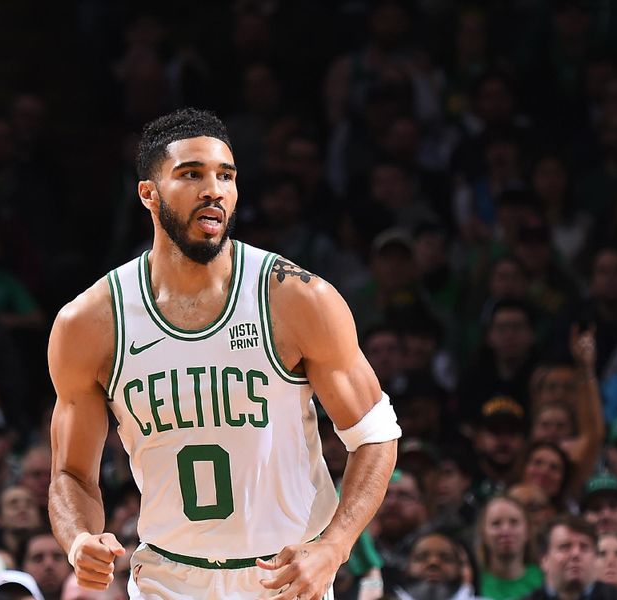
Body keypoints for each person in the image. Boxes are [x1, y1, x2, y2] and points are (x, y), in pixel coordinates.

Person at [47, 108, 401, 599]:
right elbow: (70, 474)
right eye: (191, 174)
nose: (214, 189)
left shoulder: (296, 297)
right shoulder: (89, 323)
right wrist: (78, 539)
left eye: (226, 176)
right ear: (149, 194)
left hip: (284, 576)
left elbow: (376, 436)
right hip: (168, 579)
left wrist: (334, 547)